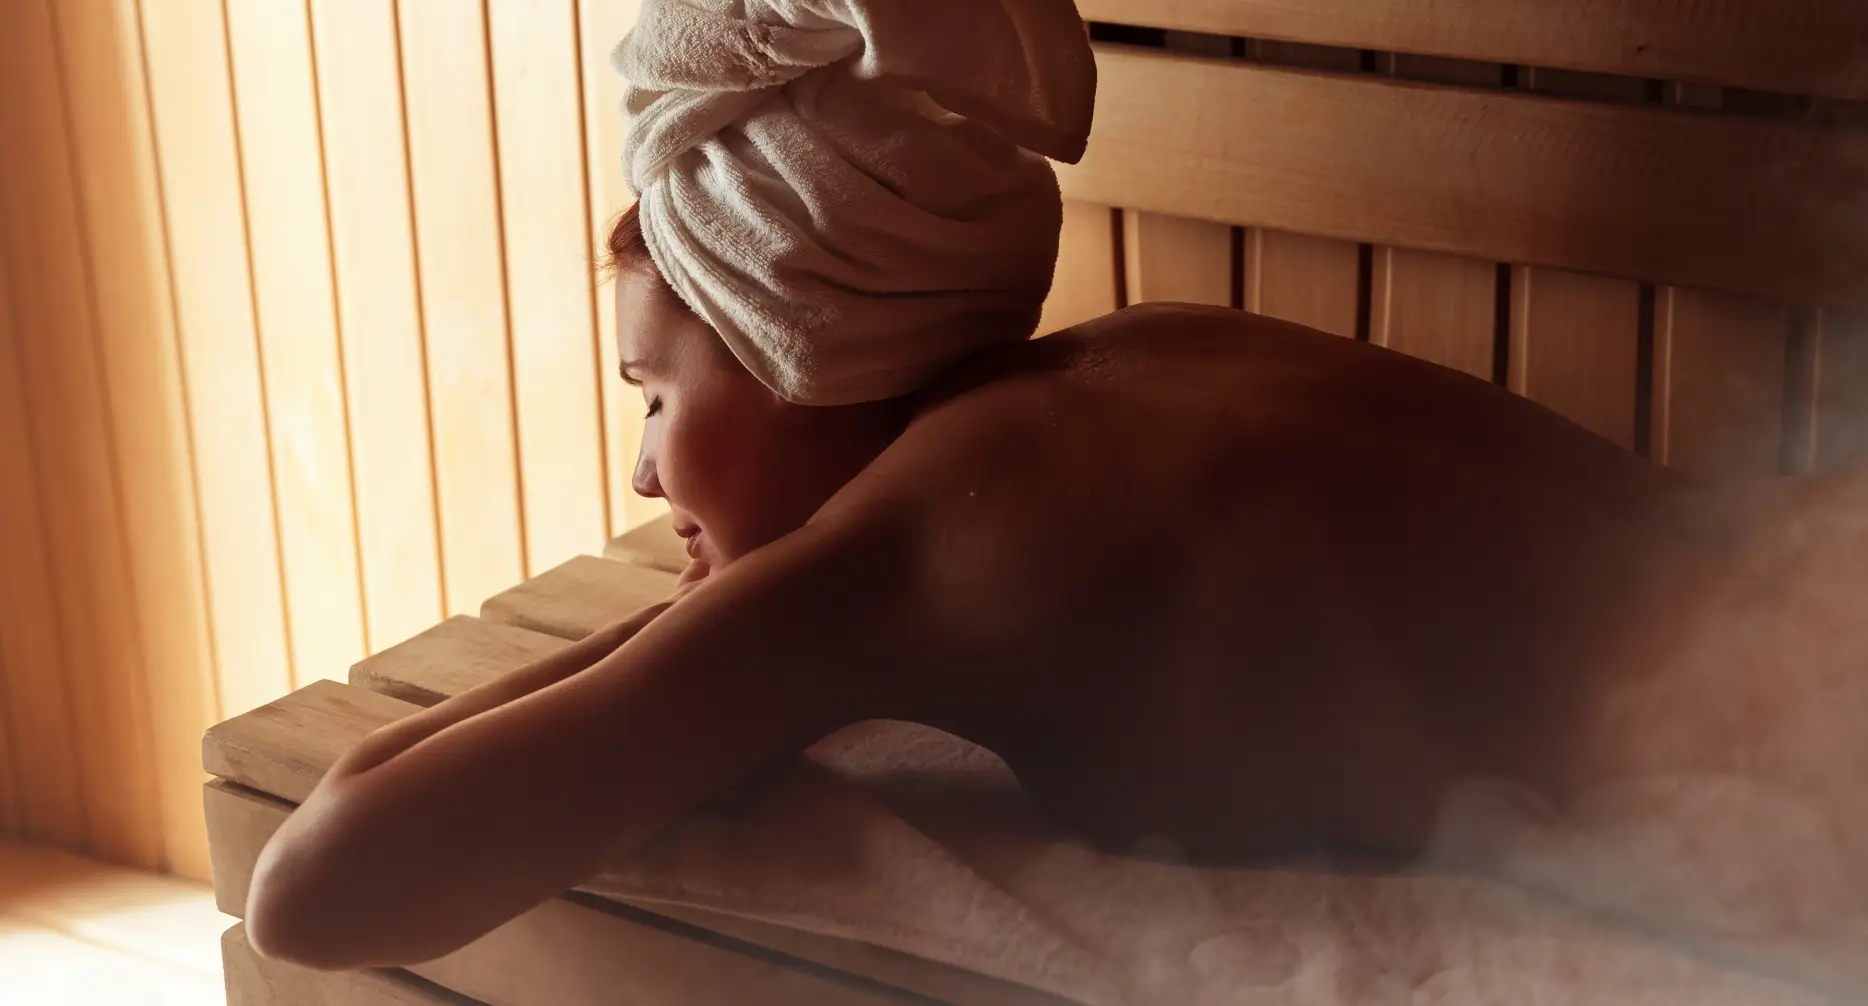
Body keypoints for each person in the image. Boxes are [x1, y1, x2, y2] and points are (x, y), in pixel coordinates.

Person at [244, 0, 1868, 976]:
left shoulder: (899, 557)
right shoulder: (1138, 348)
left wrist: (723, 626)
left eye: (660, 388)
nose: (644, 461)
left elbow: (320, 883)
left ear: (799, 335)